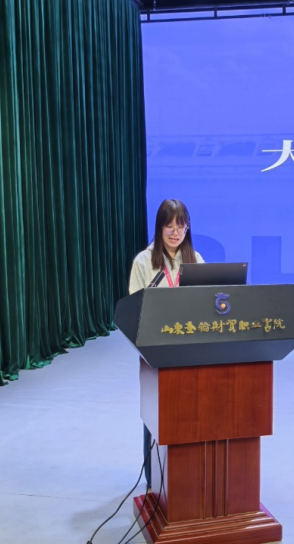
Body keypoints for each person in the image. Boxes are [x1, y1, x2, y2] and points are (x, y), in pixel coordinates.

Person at [128, 199, 204, 493]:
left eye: (180, 225)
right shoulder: (144, 261)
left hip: (191, 350)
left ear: (188, 228)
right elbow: (134, 309)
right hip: (156, 351)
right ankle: (154, 481)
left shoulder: (195, 259)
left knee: (188, 414)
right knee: (155, 415)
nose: (175, 232)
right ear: (159, 228)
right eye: (169, 225)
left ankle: (186, 477)